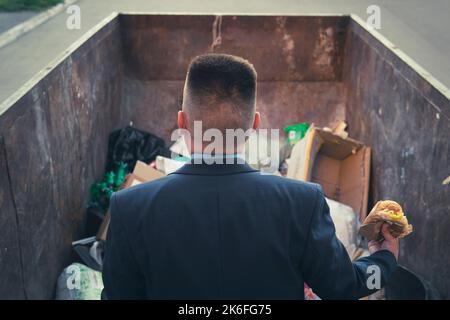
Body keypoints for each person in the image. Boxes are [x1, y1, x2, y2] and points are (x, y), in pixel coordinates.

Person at [102, 53, 398, 299]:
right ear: (254, 125)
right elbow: (343, 286)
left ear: (182, 123)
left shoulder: (129, 208)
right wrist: (384, 258)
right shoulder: (302, 203)